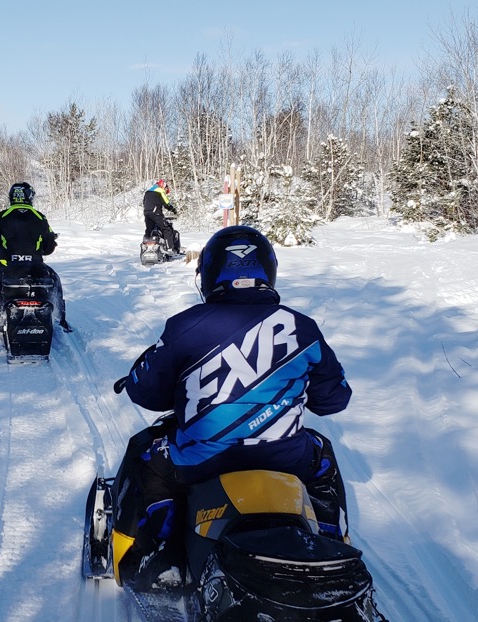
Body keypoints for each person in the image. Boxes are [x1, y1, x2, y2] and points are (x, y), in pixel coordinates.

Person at [109, 225, 353, 588]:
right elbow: (334, 400)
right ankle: (331, 539)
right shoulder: (303, 328)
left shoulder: (184, 327)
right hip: (286, 457)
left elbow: (146, 394)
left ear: (209, 273)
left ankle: (156, 552)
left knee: (146, 455)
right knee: (323, 454)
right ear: (267, 271)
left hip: (202, 461)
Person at [0, 182, 69, 329]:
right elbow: (49, 246)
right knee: (55, 278)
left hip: (7, 266)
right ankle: (58, 313)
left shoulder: (2, 216)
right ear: (30, 196)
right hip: (35, 267)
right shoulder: (40, 217)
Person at [142, 178, 180, 254]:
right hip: (156, 213)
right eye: (166, 189)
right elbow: (166, 203)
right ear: (163, 186)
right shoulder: (160, 191)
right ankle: (170, 249)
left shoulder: (147, 192)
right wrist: (173, 210)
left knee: (149, 230)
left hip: (146, 213)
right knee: (166, 229)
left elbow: (144, 203)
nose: (165, 191)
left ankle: (145, 247)